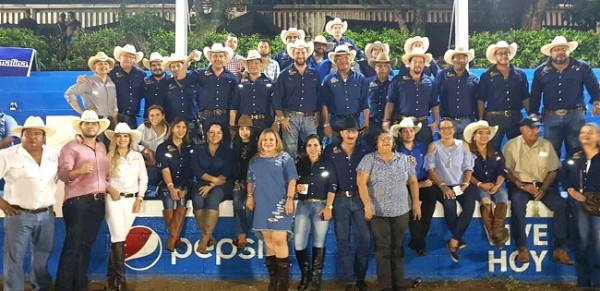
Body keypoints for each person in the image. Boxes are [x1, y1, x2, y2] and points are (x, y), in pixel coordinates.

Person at [503, 114, 572, 265]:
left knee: (562, 206)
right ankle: (522, 247)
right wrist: (521, 185)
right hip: (521, 185)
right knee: (517, 204)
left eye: (538, 128)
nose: (536, 131)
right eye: (532, 128)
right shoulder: (511, 145)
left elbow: (553, 170)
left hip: (543, 185)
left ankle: (560, 248)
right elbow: (507, 171)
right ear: (522, 129)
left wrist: (544, 188)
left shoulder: (546, 145)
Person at [356, 130, 420, 291]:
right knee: (383, 248)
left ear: (393, 143)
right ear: (376, 143)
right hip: (378, 213)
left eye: (388, 139)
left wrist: (416, 204)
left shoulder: (404, 159)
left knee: (398, 247)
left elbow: (413, 182)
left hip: (401, 210)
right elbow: (361, 183)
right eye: (382, 139)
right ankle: (385, 286)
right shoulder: (368, 159)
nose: (385, 141)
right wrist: (368, 205)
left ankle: (398, 284)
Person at [0, 116, 57, 291]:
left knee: (43, 257)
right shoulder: (7, 155)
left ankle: (40, 288)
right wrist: (1, 203)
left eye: (38, 133)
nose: (33, 137)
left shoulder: (53, 154)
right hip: (18, 215)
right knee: (14, 259)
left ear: (44, 136)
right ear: (21, 135)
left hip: (47, 215)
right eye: (28, 133)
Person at [55, 110, 111, 290]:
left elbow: (103, 176)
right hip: (77, 202)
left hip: (97, 202)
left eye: (93, 123)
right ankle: (63, 287)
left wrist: (108, 187)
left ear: (98, 127)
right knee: (73, 246)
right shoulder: (70, 147)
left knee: (86, 245)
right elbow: (63, 174)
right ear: (81, 126)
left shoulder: (102, 147)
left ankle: (80, 285)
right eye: (86, 123)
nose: (90, 126)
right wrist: (79, 171)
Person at [322, 117, 372, 291]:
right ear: (341, 133)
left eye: (354, 131)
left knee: (365, 238)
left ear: (358, 133)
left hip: (360, 198)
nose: (351, 134)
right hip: (340, 199)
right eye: (347, 131)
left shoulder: (366, 151)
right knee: (343, 241)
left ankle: (359, 277)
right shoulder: (330, 151)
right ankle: (349, 281)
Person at [246, 128, 298, 291]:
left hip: (280, 204)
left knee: (279, 240)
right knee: (268, 240)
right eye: (265, 140)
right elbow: (250, 180)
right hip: (262, 204)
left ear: (277, 142)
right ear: (261, 142)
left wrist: (289, 200)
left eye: (271, 139)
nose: (268, 142)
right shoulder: (255, 160)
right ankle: (273, 280)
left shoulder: (285, 158)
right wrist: (249, 196)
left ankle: (283, 283)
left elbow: (292, 180)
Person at [530, 36, 600, 157]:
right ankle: (555, 177)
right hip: (550, 117)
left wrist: (597, 102)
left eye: (563, 48)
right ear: (551, 53)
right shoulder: (540, 71)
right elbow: (535, 95)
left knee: (577, 154)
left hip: (576, 117)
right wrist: (533, 113)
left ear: (568, 51)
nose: (560, 52)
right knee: (550, 155)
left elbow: (594, 87)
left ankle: (577, 176)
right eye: (556, 49)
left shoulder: (582, 67)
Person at [425, 118, 478, 263]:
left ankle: (454, 241)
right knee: (450, 206)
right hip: (443, 185)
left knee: (469, 206)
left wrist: (466, 184)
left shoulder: (464, 145)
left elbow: (468, 167)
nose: (446, 131)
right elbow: (430, 169)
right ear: (439, 131)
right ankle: (457, 239)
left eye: (449, 128)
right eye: (443, 128)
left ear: (454, 129)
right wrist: (443, 186)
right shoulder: (433, 146)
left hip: (461, 184)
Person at [103, 123, 147, 290]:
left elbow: (144, 178)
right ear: (115, 138)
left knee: (118, 239)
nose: (122, 139)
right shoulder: (108, 157)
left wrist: (140, 198)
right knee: (118, 237)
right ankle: (122, 280)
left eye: (125, 136)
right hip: (113, 199)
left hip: (131, 200)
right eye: (119, 136)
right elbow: (101, 178)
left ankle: (110, 280)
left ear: (130, 139)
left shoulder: (137, 156)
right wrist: (109, 188)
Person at [293, 134, 336, 290]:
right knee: (298, 243)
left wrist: (329, 207)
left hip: (321, 205)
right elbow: (292, 183)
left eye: (315, 145)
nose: (312, 148)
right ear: (305, 148)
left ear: (321, 147)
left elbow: (332, 186)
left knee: (319, 242)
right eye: (309, 145)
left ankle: (316, 278)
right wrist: (296, 188)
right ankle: (306, 275)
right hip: (303, 205)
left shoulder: (327, 164)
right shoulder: (300, 165)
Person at [562, 123, 600, 289]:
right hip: (578, 202)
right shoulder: (573, 154)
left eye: (590, 132)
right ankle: (583, 281)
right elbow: (563, 174)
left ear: (598, 137)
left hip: (598, 203)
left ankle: (597, 280)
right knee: (582, 239)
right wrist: (570, 189)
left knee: (598, 241)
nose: (586, 135)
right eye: (583, 132)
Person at [392, 118, 436, 256]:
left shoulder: (423, 147)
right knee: (413, 208)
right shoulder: (396, 152)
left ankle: (418, 237)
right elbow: (395, 176)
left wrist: (428, 180)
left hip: (423, 180)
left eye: (411, 130)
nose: (409, 134)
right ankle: (420, 244)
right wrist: (417, 184)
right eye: (405, 131)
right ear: (400, 134)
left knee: (431, 198)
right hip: (405, 185)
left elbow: (430, 165)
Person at [178, 43, 238, 144]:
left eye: (220, 56)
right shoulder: (200, 73)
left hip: (225, 118)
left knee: (226, 148)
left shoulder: (232, 77)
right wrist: (188, 60)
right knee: (207, 147)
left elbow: (235, 101)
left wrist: (232, 122)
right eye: (215, 56)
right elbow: (181, 78)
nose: (217, 59)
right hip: (207, 118)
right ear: (210, 58)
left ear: (225, 59)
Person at [272, 39, 322, 159]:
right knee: (289, 149)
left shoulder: (314, 74)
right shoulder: (285, 74)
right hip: (290, 117)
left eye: (303, 53)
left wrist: (317, 116)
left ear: (307, 54)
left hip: (309, 117)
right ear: (293, 54)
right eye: (297, 53)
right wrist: (281, 118)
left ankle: (314, 175)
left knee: (313, 148)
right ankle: (291, 177)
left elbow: (319, 97)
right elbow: (277, 98)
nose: (300, 55)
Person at [464, 120, 509, 248]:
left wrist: (498, 185)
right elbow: (467, 173)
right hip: (477, 185)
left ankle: (496, 231)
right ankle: (494, 235)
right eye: (480, 133)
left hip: (495, 184)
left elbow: (502, 170)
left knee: (502, 198)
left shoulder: (496, 152)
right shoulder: (468, 154)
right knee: (486, 201)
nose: (484, 136)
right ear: (474, 136)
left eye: (487, 133)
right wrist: (480, 184)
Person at [479, 41, 530, 151]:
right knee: (493, 149)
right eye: (500, 53)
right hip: (494, 118)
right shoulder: (486, 76)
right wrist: (480, 119)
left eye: (506, 52)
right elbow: (481, 99)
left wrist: (531, 115)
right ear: (495, 56)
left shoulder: (520, 74)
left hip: (515, 116)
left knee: (518, 148)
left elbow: (525, 96)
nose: (504, 55)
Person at [191, 123, 233, 254]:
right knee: (197, 198)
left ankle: (203, 241)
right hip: (202, 182)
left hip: (223, 185)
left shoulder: (228, 151)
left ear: (222, 135)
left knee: (213, 198)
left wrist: (211, 186)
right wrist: (213, 181)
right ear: (207, 134)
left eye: (218, 132)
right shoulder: (198, 149)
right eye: (212, 132)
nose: (215, 135)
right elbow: (197, 170)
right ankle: (208, 236)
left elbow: (226, 172)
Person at [384, 47, 438, 145]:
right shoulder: (398, 80)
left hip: (423, 124)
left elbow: (434, 103)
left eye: (421, 62)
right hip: (403, 124)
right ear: (409, 63)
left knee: (424, 153)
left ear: (424, 64)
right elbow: (390, 101)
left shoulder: (430, 82)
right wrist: (386, 120)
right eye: (415, 61)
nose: (418, 64)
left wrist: (435, 122)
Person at [155, 118, 194, 252]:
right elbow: (164, 169)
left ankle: (172, 240)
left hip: (186, 183)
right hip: (168, 183)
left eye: (184, 127)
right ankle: (175, 239)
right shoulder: (162, 147)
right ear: (172, 128)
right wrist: (171, 187)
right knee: (169, 202)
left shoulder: (191, 147)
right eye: (178, 127)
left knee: (182, 200)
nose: (181, 130)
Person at [321, 44, 369, 144]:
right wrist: (326, 124)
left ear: (351, 60)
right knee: (335, 150)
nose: (343, 60)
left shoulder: (361, 78)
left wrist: (366, 122)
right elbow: (324, 104)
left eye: (346, 57)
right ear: (335, 61)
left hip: (354, 121)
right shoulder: (328, 80)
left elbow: (365, 102)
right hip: (335, 121)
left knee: (354, 150)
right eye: (340, 58)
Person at [436, 47, 479, 139]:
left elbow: (479, 100)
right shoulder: (442, 76)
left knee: (467, 151)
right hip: (447, 122)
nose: (461, 60)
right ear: (452, 59)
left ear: (467, 60)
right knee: (447, 151)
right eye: (458, 57)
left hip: (467, 122)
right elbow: (434, 96)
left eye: (464, 57)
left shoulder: (474, 79)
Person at [65, 51, 118, 126]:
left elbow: (115, 103)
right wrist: (81, 112)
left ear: (109, 68)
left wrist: (115, 118)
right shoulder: (87, 82)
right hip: (94, 121)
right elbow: (69, 93)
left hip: (111, 122)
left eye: (106, 64)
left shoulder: (112, 84)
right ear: (94, 68)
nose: (103, 66)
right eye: (100, 64)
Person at [230, 116, 258, 250]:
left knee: (248, 205)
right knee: (236, 201)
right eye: (242, 129)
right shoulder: (234, 145)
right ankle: (241, 235)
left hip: (253, 183)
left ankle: (243, 233)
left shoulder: (257, 146)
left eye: (247, 129)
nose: (244, 132)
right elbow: (232, 166)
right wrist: (236, 180)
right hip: (239, 182)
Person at [230, 49, 274, 132]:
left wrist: (276, 122)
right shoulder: (240, 84)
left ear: (261, 65)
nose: (253, 65)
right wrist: (232, 124)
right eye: (250, 63)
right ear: (247, 65)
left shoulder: (270, 83)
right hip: (245, 124)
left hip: (264, 123)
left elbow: (275, 104)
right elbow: (234, 105)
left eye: (256, 63)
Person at [162, 53, 201, 142]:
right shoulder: (166, 84)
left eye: (178, 66)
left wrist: (199, 122)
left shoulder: (193, 82)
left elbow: (199, 102)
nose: (175, 69)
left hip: (192, 124)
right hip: (173, 125)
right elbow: (163, 104)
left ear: (183, 66)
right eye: (172, 66)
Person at [110, 44, 146, 129]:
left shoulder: (141, 74)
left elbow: (144, 92)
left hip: (132, 117)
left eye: (132, 57)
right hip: (115, 117)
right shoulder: (111, 73)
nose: (128, 59)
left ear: (135, 60)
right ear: (120, 56)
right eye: (126, 56)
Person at [364, 52, 395, 147]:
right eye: (379, 66)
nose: (383, 69)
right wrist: (365, 122)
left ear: (389, 68)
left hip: (391, 122)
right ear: (375, 68)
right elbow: (363, 102)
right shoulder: (367, 82)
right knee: (370, 149)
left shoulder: (395, 82)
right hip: (372, 122)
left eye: (386, 66)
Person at [137, 105, 169, 187]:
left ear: (163, 116)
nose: (154, 117)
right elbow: (131, 144)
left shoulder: (169, 130)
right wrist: (146, 151)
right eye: (152, 115)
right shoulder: (143, 128)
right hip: (148, 163)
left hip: (164, 163)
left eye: (157, 115)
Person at [142, 52, 169, 118]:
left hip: (168, 119)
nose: (157, 67)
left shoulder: (172, 81)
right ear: (150, 67)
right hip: (149, 120)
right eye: (153, 65)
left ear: (164, 66)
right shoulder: (145, 81)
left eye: (159, 64)